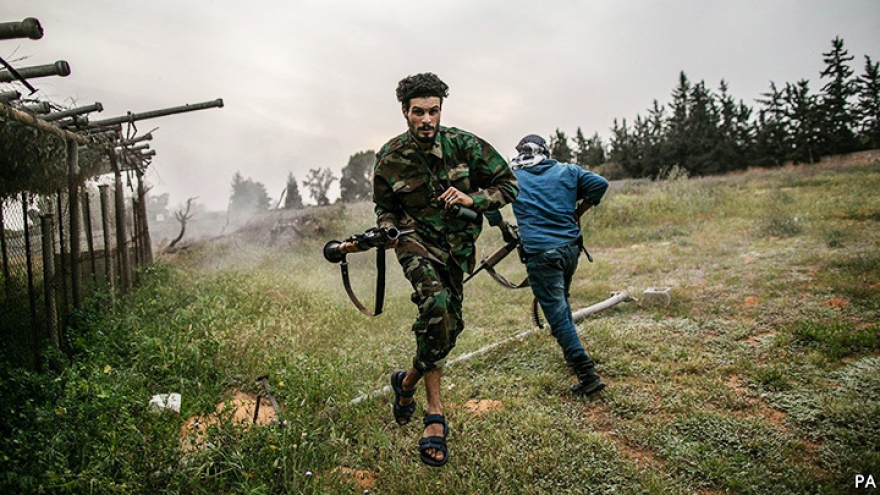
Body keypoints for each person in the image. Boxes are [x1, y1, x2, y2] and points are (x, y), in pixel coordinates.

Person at [372, 73, 518, 467]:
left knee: (449, 328)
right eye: (418, 112)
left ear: (441, 110)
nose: (427, 120)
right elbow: (385, 206)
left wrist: (473, 198)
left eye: (433, 111)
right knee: (435, 306)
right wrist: (388, 228)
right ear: (405, 112)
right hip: (414, 243)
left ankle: (406, 382)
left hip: (457, 250)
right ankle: (434, 414)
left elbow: (509, 185)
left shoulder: (465, 145)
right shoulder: (389, 157)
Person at [496, 134, 609, 396]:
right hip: (570, 249)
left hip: (541, 253)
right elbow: (599, 185)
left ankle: (587, 374)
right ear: (545, 152)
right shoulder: (567, 171)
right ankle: (572, 353)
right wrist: (578, 212)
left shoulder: (513, 177)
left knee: (557, 313)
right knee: (562, 302)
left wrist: (502, 227)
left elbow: (490, 204)